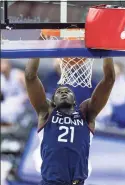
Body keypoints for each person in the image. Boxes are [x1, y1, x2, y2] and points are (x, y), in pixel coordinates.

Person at [25, 38, 115, 184]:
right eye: (59, 92)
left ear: (75, 101)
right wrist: (39, 45)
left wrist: (106, 47)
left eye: (67, 91)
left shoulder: (87, 113)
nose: (64, 92)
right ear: (52, 101)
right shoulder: (46, 112)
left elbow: (109, 79)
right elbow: (30, 76)